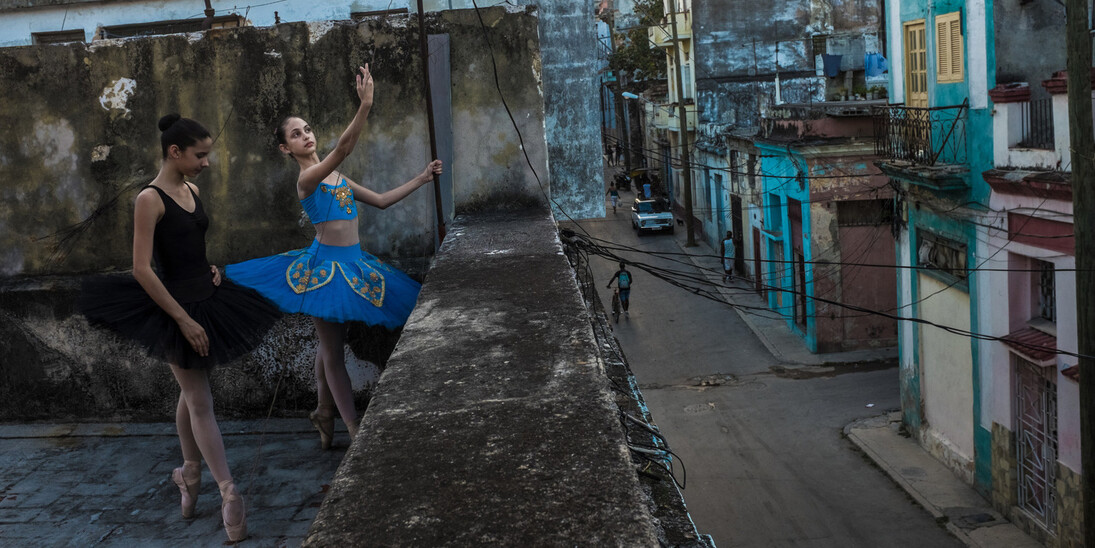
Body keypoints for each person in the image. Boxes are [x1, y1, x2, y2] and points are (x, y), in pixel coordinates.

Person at [79, 114, 281, 543]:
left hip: (208, 297)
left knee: (191, 392)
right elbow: (141, 269)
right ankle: (228, 492)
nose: (206, 163)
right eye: (200, 155)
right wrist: (183, 320)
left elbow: (191, 247)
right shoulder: (148, 199)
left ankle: (188, 473)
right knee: (200, 399)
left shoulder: (192, 190)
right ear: (175, 152)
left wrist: (210, 269)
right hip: (173, 308)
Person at [226, 65, 442, 451]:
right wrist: (365, 106)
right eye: (296, 134)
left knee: (330, 347)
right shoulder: (307, 179)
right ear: (285, 149)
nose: (305, 136)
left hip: (354, 263)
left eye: (307, 129)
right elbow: (342, 149)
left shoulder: (338, 178)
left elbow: (380, 200)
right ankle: (353, 428)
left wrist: (422, 178)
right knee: (333, 352)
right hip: (324, 269)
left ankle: (324, 412)